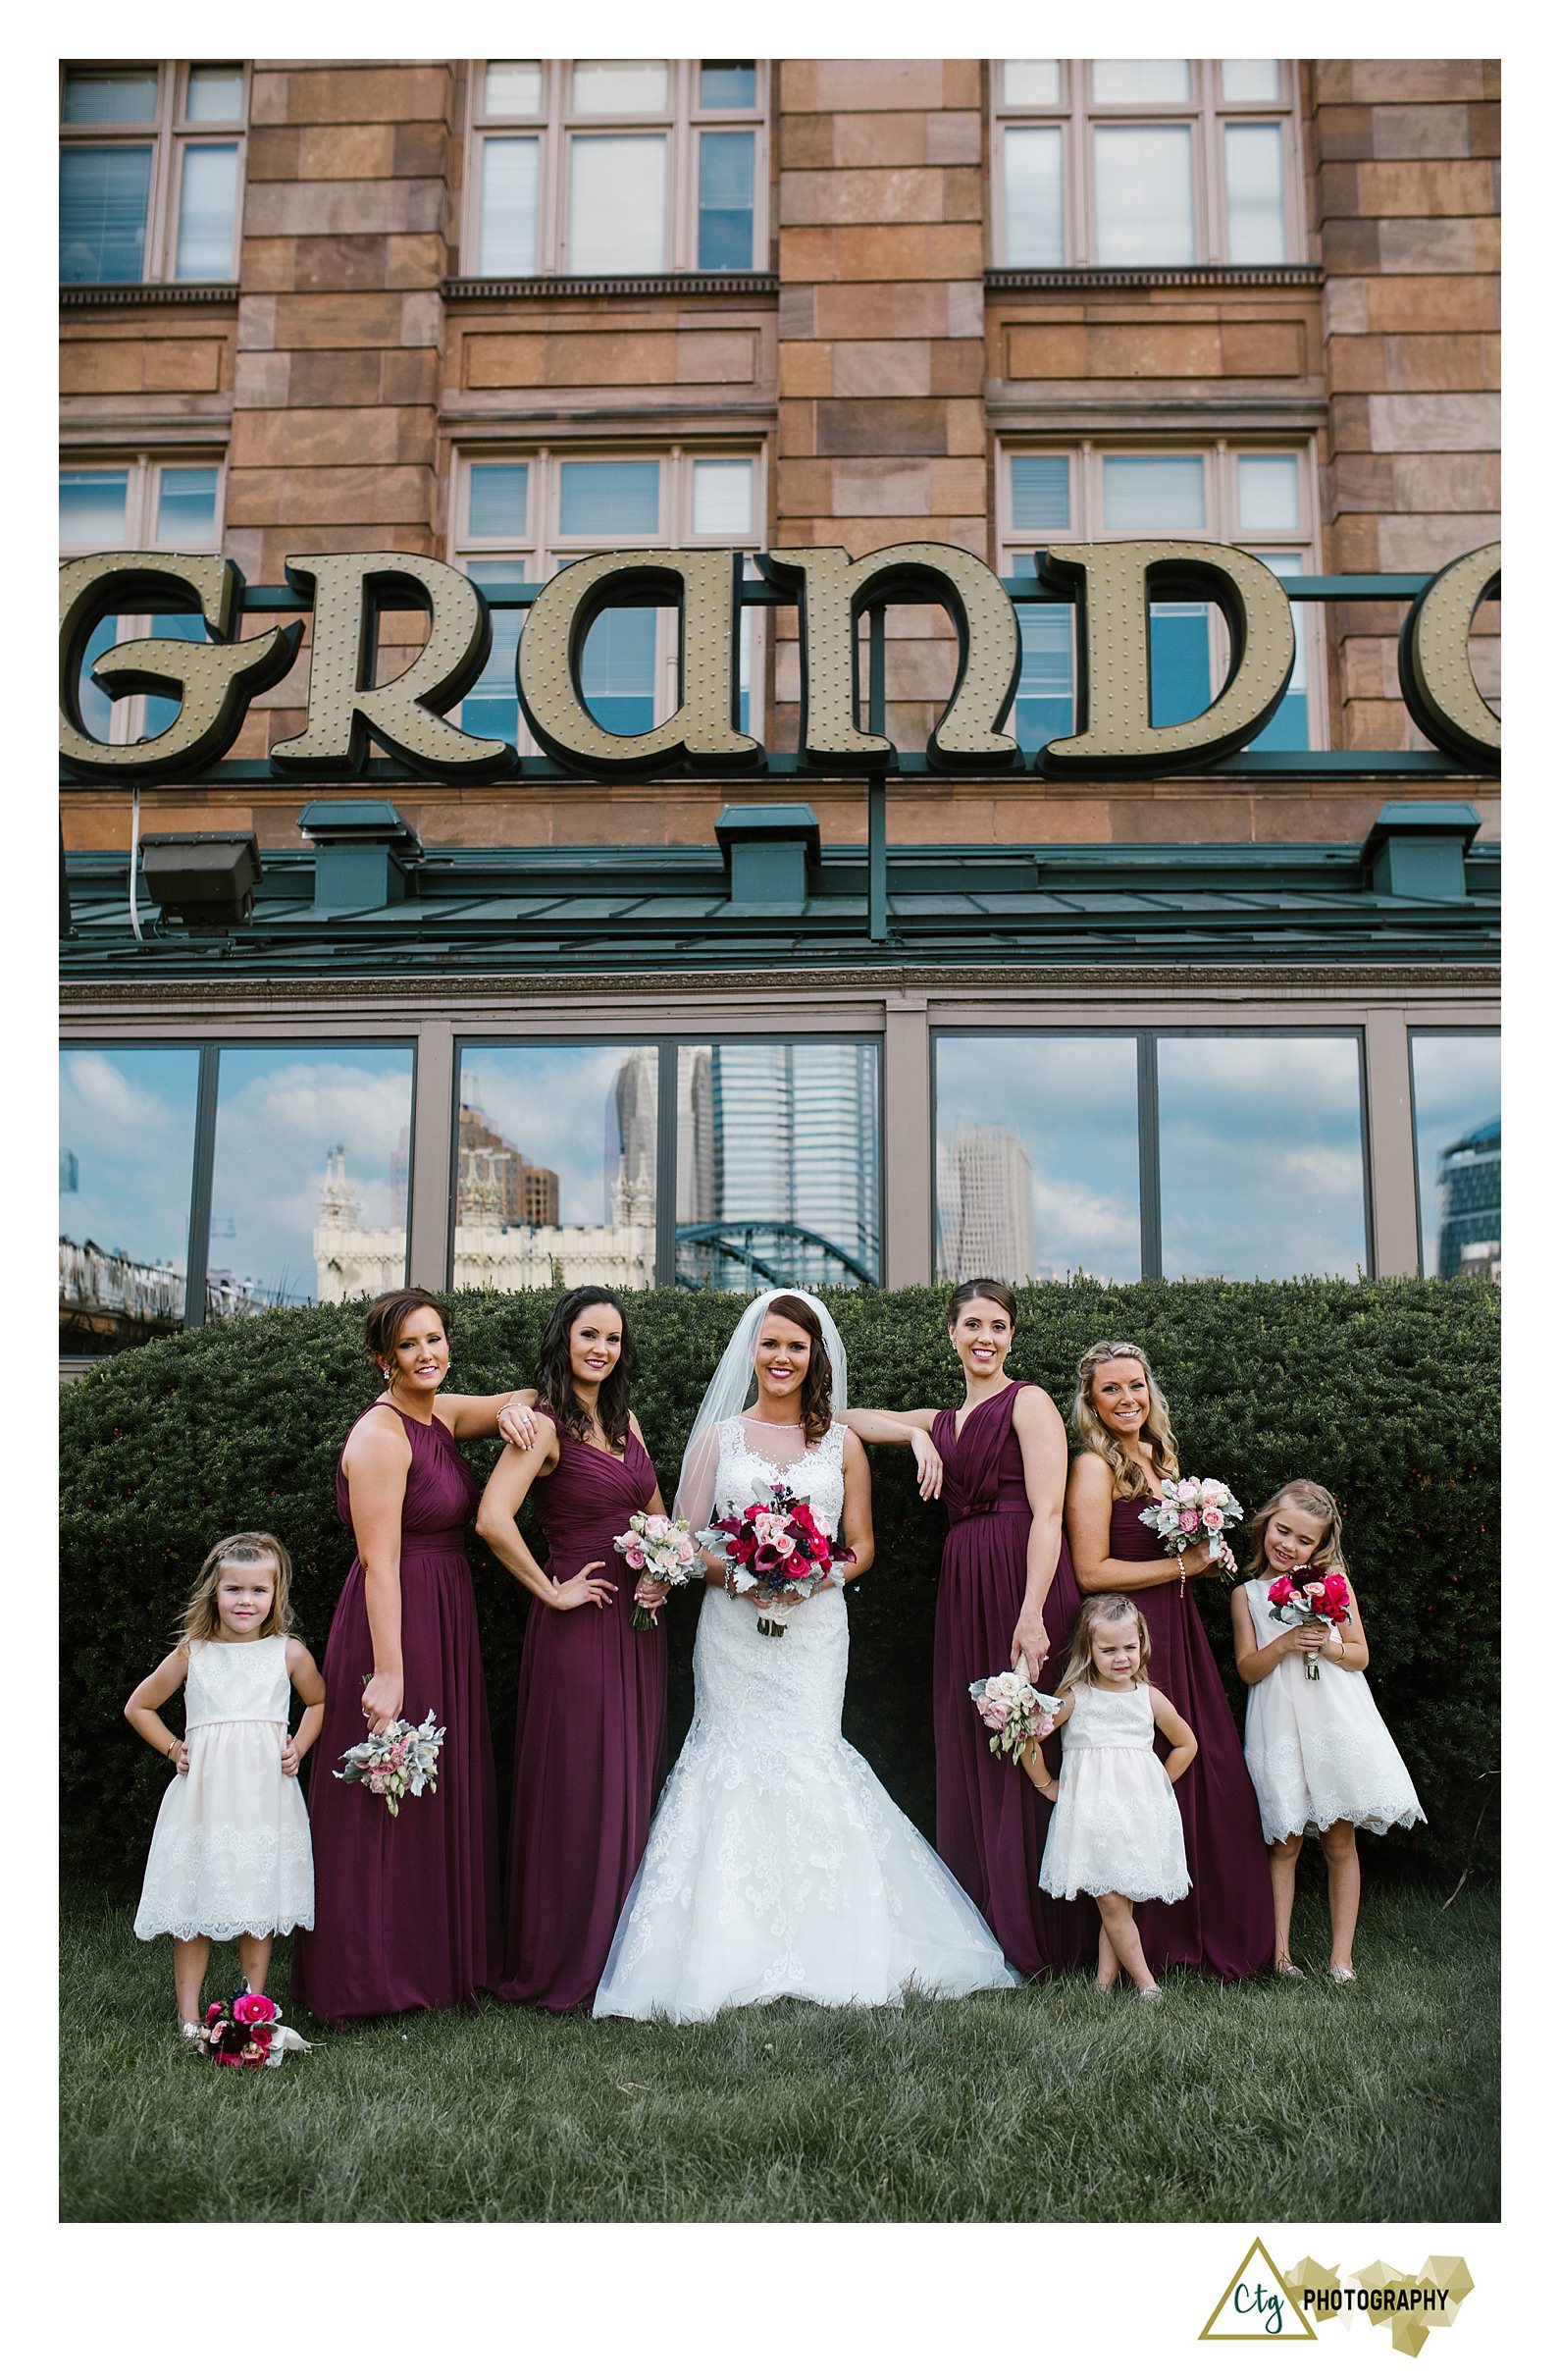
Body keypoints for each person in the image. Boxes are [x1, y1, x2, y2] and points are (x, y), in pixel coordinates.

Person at [594, 1291, 1017, 2022]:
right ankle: (727, 1952)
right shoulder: (718, 1442)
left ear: (815, 1357)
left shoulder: (840, 1442)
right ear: (751, 1352)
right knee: (727, 1756)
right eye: (771, 1344)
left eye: (797, 1346)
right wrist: (741, 1576)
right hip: (733, 1632)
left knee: (810, 1752)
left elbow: (863, 1547)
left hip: (816, 1629)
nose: (783, 1358)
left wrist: (809, 1577)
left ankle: (832, 1944)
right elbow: (685, 1541)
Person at [292, 1289, 530, 2026]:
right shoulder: (381, 1436)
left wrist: (519, 1410)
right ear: (382, 1359)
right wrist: (388, 1671)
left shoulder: (439, 1412)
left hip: (445, 1608)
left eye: (435, 1338)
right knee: (385, 1785)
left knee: (435, 1784)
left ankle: (437, 1960)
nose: (428, 1353)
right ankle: (368, 1973)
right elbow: (380, 1563)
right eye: (410, 1345)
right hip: (391, 1620)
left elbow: (519, 1397)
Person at [845, 1278, 1092, 1975]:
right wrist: (915, 1433)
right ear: (950, 1332)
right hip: (964, 1584)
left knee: (1030, 1735)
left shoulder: (1030, 1401)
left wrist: (1033, 1612)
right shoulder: (946, 1417)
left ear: (1011, 1335)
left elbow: (1048, 1513)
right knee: (977, 1740)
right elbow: (847, 1418)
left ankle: (1050, 1926)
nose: (986, 1336)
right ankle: (985, 1918)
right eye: (972, 1324)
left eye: (998, 1325)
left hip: (1023, 1579)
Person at [476, 1289, 670, 2011]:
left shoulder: (625, 1421)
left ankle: (621, 1951)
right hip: (579, 1625)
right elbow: (493, 1518)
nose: (602, 1348)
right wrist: (549, 1590)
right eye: (589, 1333)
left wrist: (661, 1571)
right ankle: (566, 1957)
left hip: (638, 1624)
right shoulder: (543, 1424)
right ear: (564, 1338)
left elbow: (659, 1517)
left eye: (614, 1338)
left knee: (628, 1777)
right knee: (582, 1785)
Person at [1065, 1339, 1272, 1982]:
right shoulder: (1094, 1467)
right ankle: (1151, 1943)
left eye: (1136, 1386)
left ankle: (1208, 1925)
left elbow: (1183, 1550)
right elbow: (1092, 1569)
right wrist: (1185, 1563)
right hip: (1130, 1643)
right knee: (1139, 1783)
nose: (1127, 1399)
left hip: (1177, 1631)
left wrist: (1206, 1545)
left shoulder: (1158, 1456)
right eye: (1111, 1390)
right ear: (1091, 1403)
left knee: (1213, 1778)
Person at [128, 1532, 323, 2041]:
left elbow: (319, 1702)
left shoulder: (288, 1653)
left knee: (257, 1903)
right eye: (234, 1589)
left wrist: (298, 1745)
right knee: (195, 1903)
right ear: (214, 1592)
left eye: (259, 1590)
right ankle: (189, 2018)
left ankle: (250, 2009)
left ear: (275, 1594)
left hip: (264, 1798)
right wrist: (174, 1748)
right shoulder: (194, 1653)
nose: (246, 1601)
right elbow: (138, 1706)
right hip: (206, 1800)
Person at [1232, 1478, 1425, 1983]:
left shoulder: (1334, 1586)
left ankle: (1341, 1959)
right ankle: (1279, 1956)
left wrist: (1328, 1646)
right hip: (1278, 1720)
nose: (1289, 1545)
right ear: (1265, 1524)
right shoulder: (1247, 1595)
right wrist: (1289, 1642)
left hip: (1332, 1717)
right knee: (1286, 1841)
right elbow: (1249, 1669)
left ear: (1319, 1546)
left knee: (1340, 1840)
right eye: (1282, 1531)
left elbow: (1359, 1654)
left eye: (1303, 1540)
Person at [1023, 1595, 1197, 1999]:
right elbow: (1028, 1739)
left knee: (1118, 1900)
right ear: (1089, 1650)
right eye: (1109, 1650)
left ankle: (1103, 1987)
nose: (1122, 1658)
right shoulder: (1076, 1697)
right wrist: (1046, 1784)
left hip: (1136, 1813)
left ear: (1142, 1644)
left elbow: (1186, 1744)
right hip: (1092, 1815)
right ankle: (1146, 1985)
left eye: (1130, 1648)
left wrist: (1157, 1787)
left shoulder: (1147, 1697)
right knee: (1112, 1900)